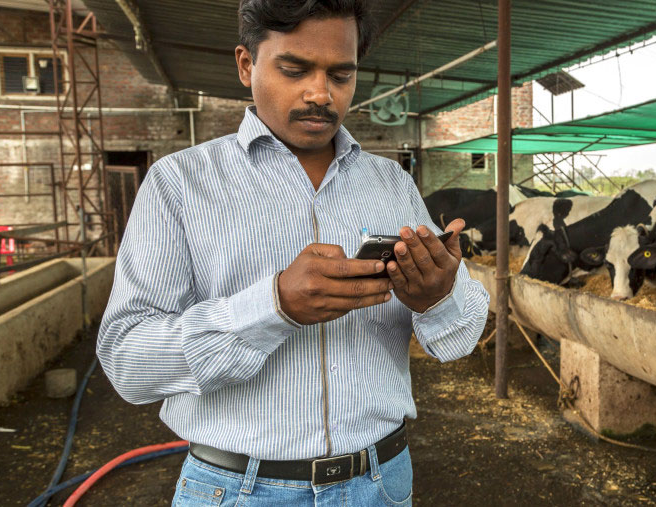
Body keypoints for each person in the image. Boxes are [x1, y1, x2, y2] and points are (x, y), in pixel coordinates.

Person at [96, 1, 490, 505]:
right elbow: (128, 362)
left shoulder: (391, 184)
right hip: (237, 488)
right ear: (246, 65)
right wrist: (273, 306)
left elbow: (456, 343)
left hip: (380, 482)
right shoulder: (180, 184)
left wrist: (438, 297)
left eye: (341, 75)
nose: (320, 94)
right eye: (295, 69)